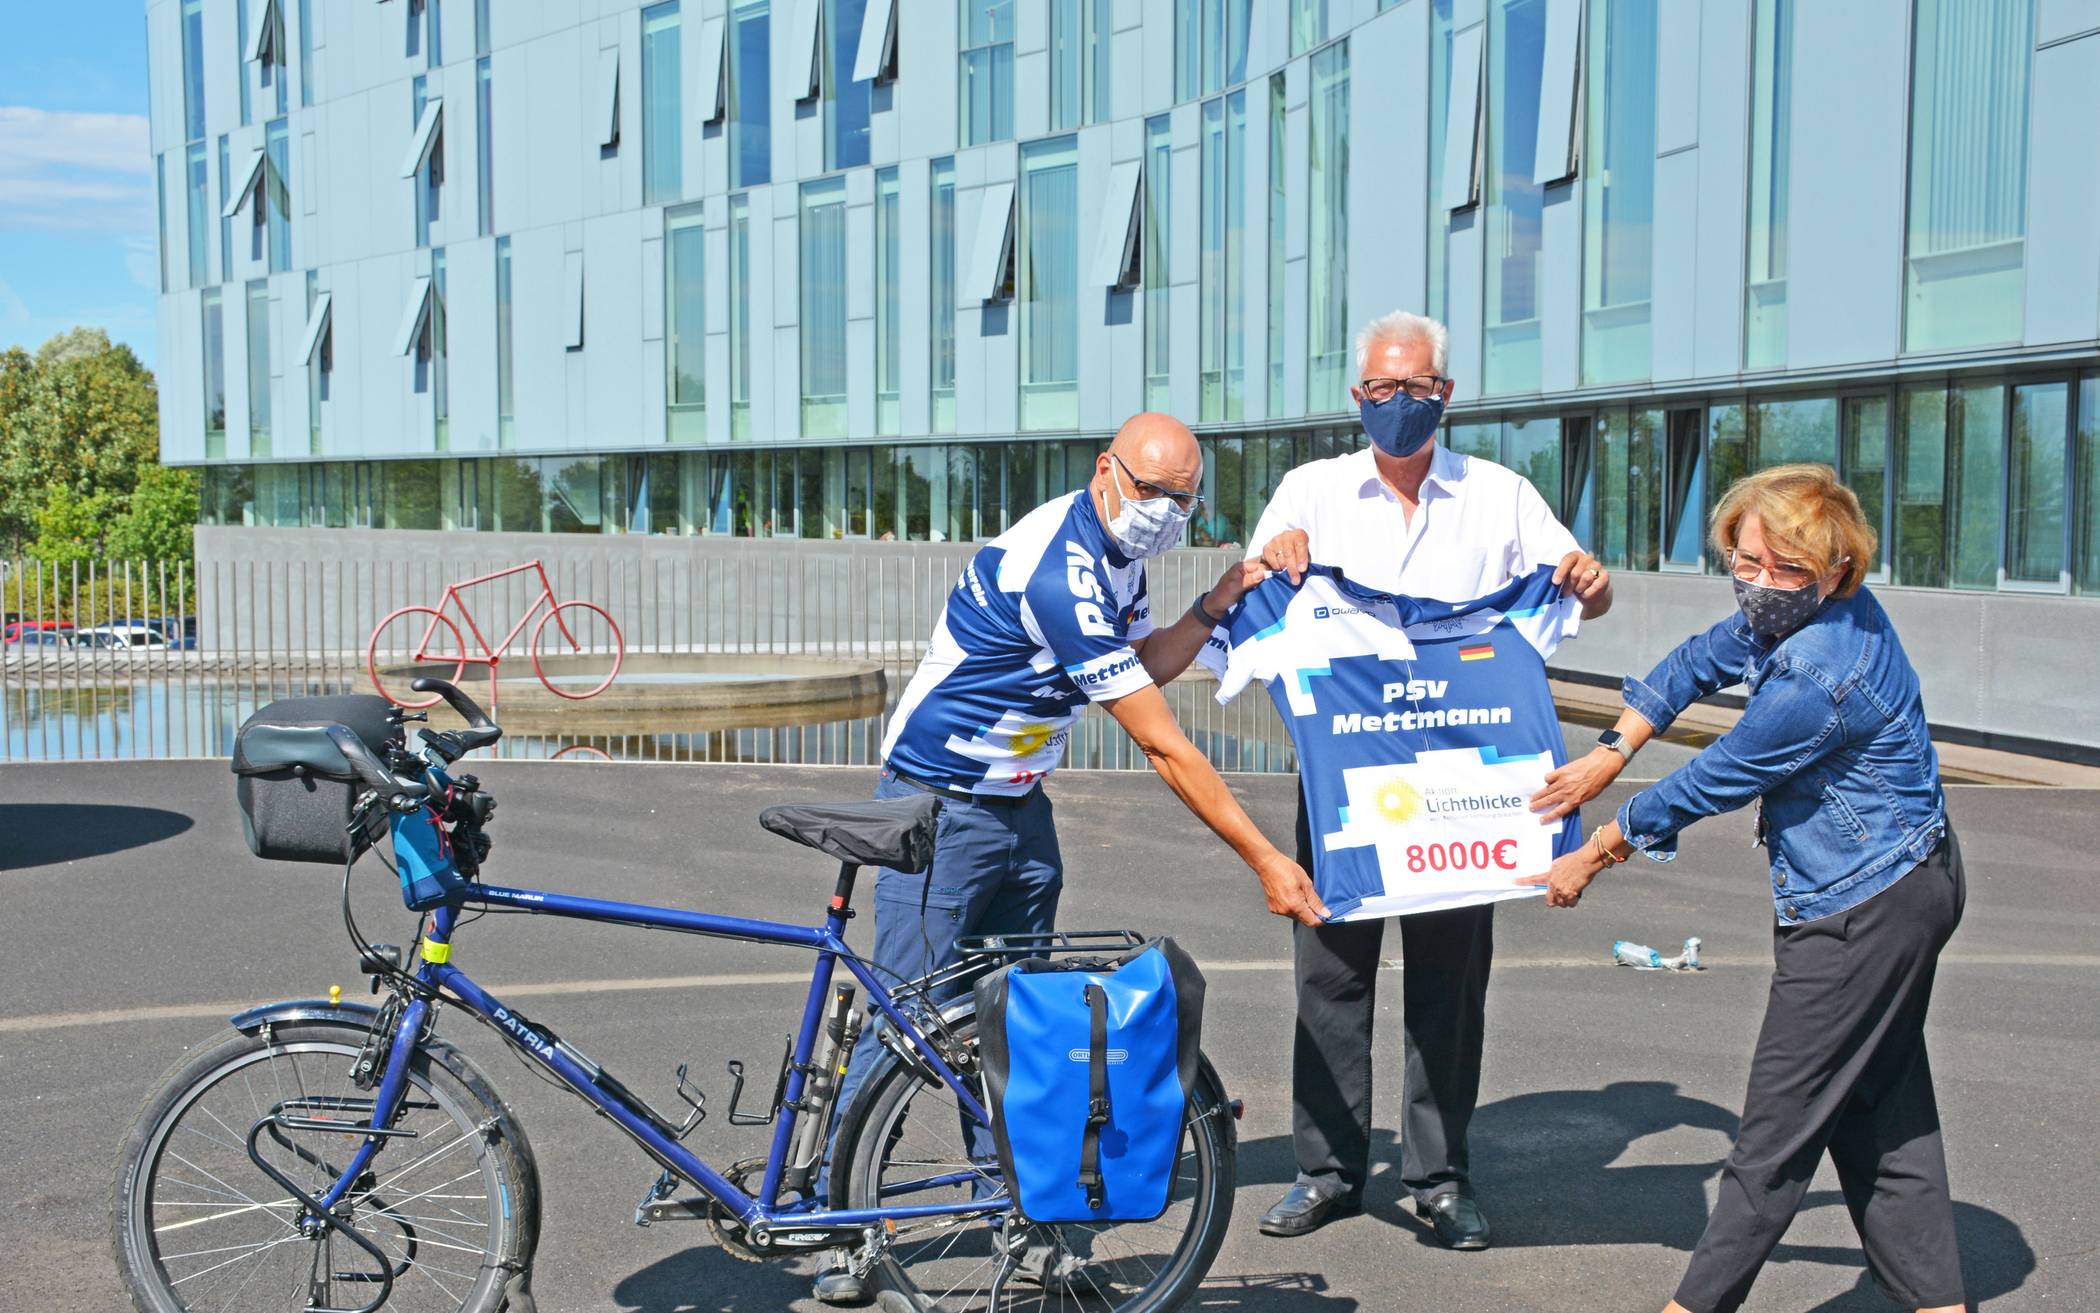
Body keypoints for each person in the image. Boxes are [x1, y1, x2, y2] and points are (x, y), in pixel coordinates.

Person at [812, 412, 1325, 1304]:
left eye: (1184, 499)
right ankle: (846, 1227)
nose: (1165, 512)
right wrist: (1266, 859)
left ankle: (1011, 1198)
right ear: (1105, 472)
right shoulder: (1060, 566)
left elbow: (1140, 663)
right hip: (940, 804)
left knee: (1005, 1021)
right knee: (911, 1021)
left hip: (1018, 804)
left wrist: (1216, 601)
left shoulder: (1117, 556)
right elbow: (1162, 744)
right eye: (1153, 491)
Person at [1523, 463, 1965, 1313]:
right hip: (1907, 879)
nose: (1760, 584)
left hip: (1862, 908)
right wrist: (1611, 750)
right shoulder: (1794, 610)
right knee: (1882, 1100)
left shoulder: (1819, 670)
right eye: (1745, 560)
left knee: (1775, 1130)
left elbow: (1721, 773)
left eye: (1785, 568)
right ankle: (1939, 1301)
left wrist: (1597, 849)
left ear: (1837, 570)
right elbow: (1697, 662)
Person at [1248, 310, 1613, 1249]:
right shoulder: (1310, 489)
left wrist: (1589, 579)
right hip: (1348, 784)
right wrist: (1273, 556)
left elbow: (1573, 585)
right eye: (1379, 387)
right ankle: (1325, 1170)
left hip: (1465, 791)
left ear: (1444, 394)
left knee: (1451, 987)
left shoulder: (1500, 496)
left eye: (1414, 388)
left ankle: (1441, 1177)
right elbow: (1251, 587)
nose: (1396, 403)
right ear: (1356, 393)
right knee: (1330, 978)